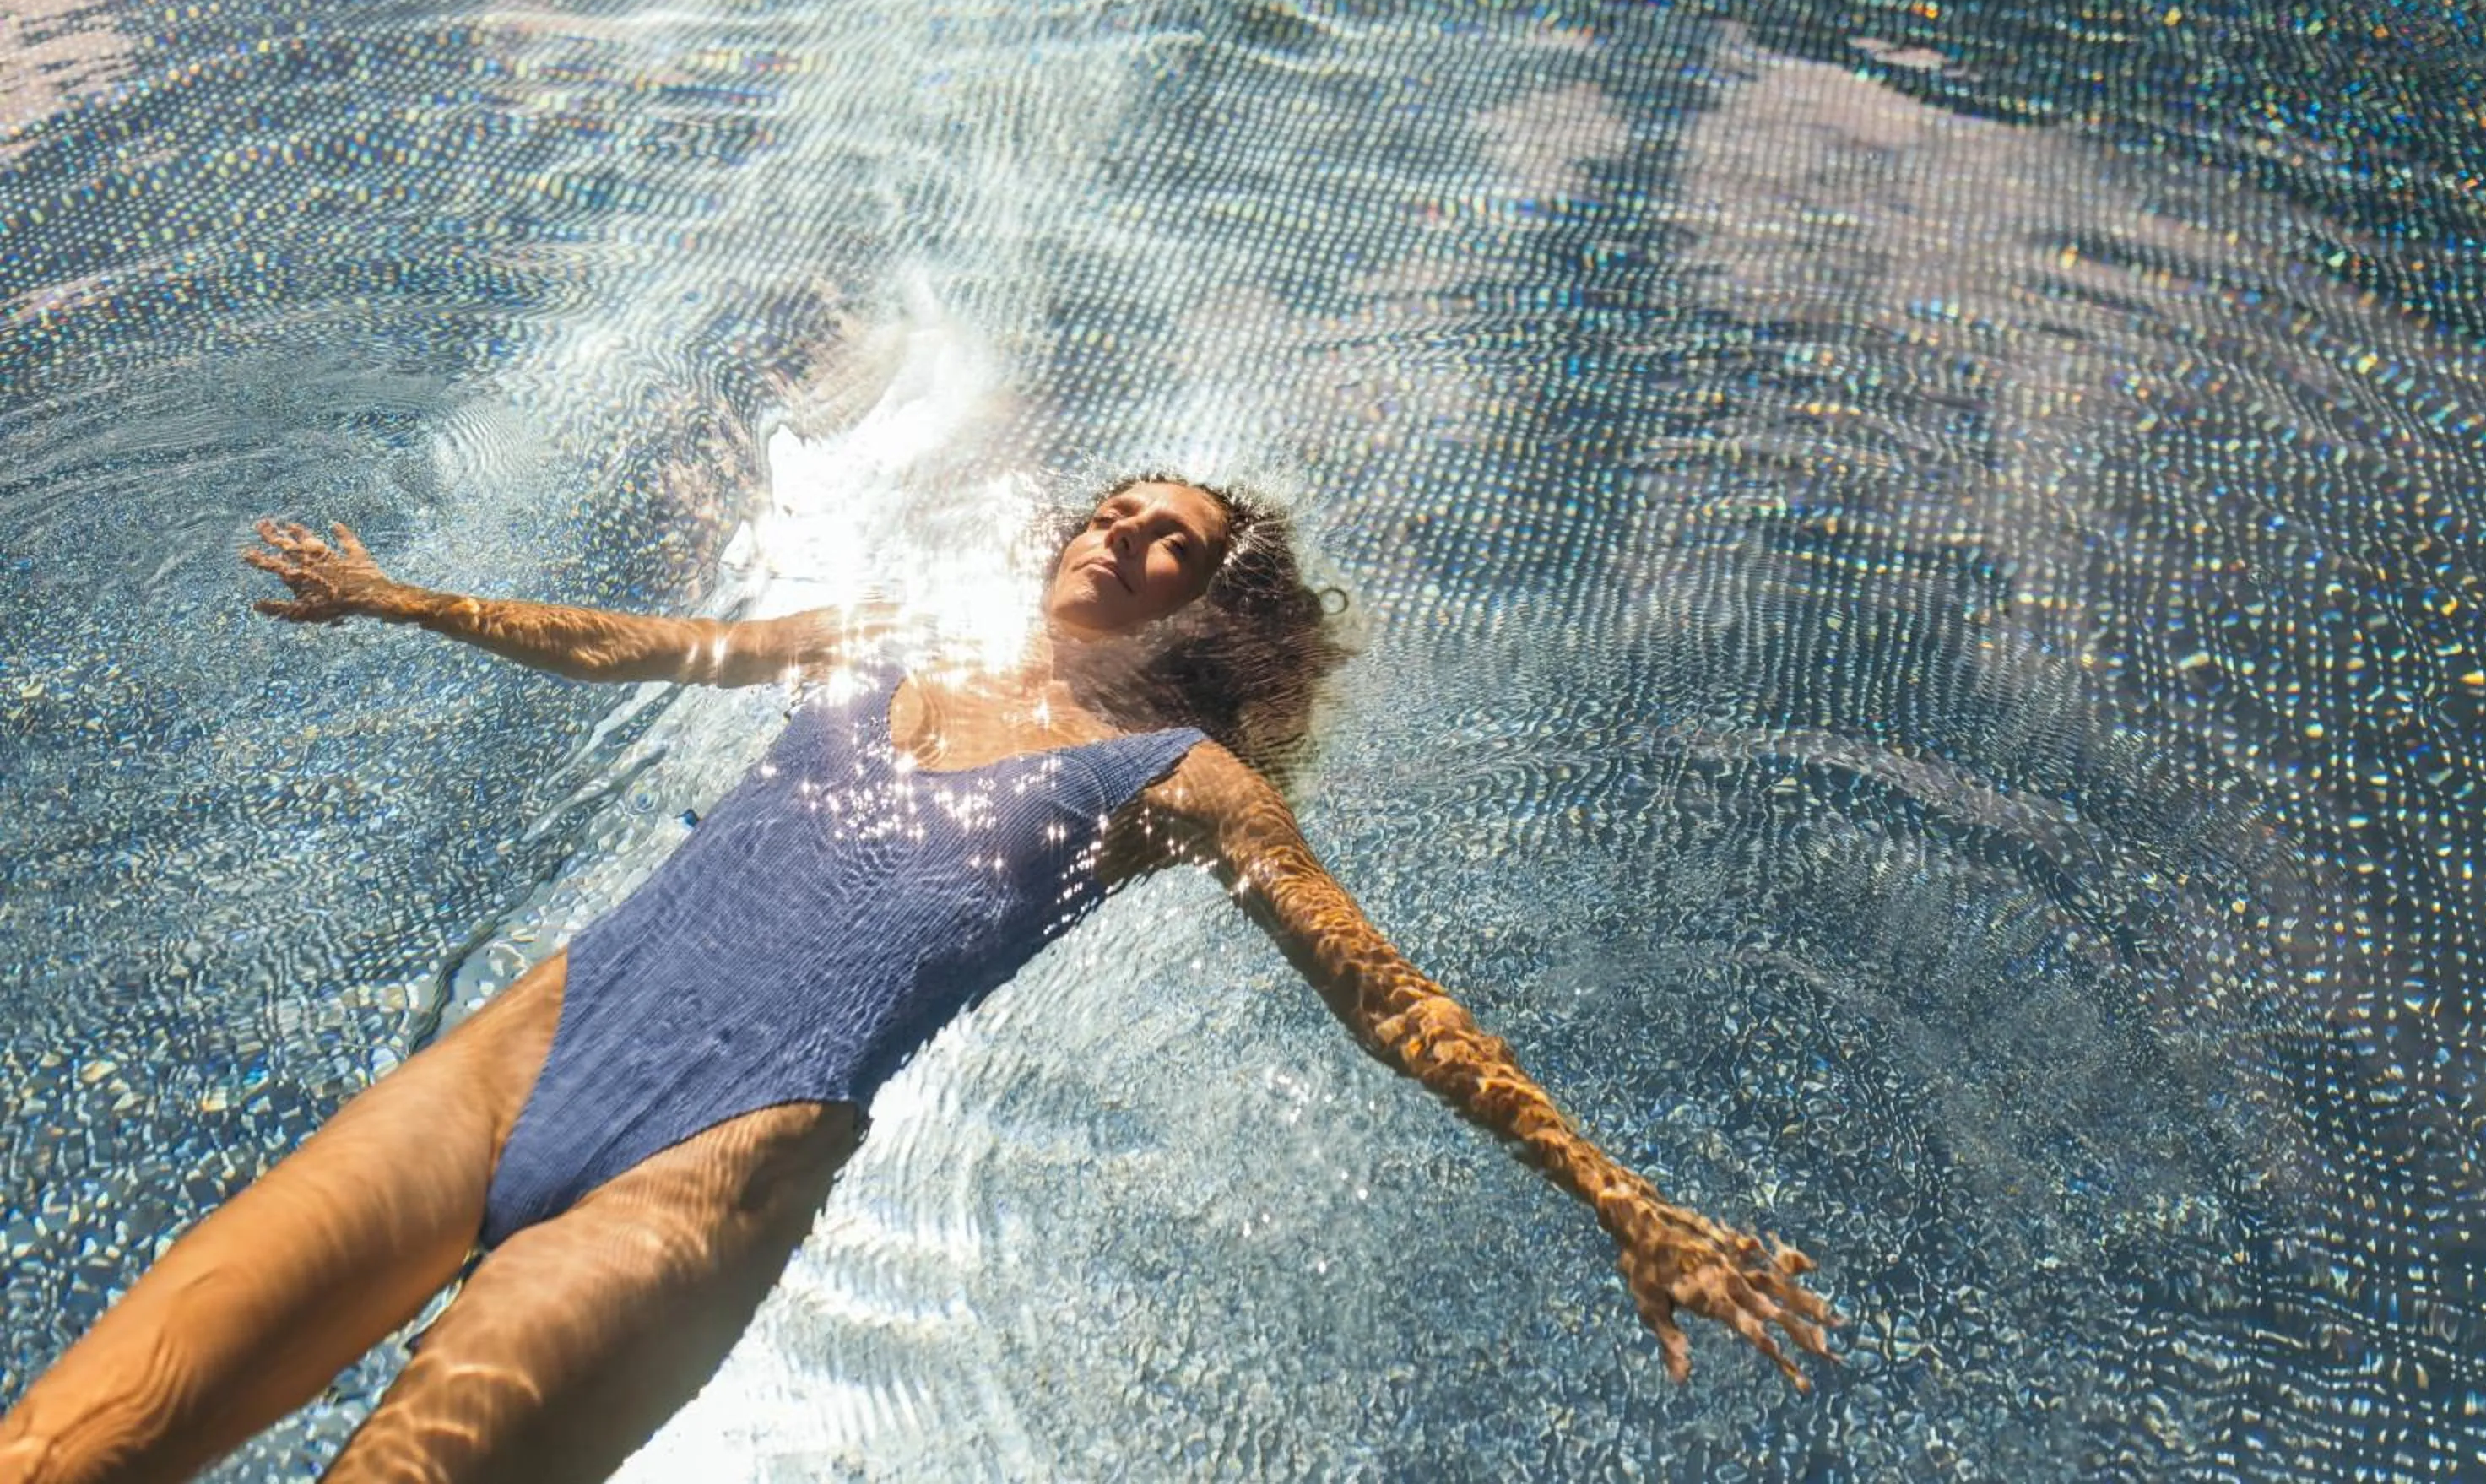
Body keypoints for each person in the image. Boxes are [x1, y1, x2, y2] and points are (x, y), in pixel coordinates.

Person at [1, 477, 1835, 1484]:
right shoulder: (898, 635)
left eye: (1169, 539)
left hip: (696, 1182)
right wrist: (417, 603)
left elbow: (1394, 1002)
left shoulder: (1187, 787)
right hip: (526, 1049)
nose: (1118, 535)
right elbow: (655, 643)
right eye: (1114, 508)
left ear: (1211, 608)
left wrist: (1618, 1195)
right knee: (67, 1443)